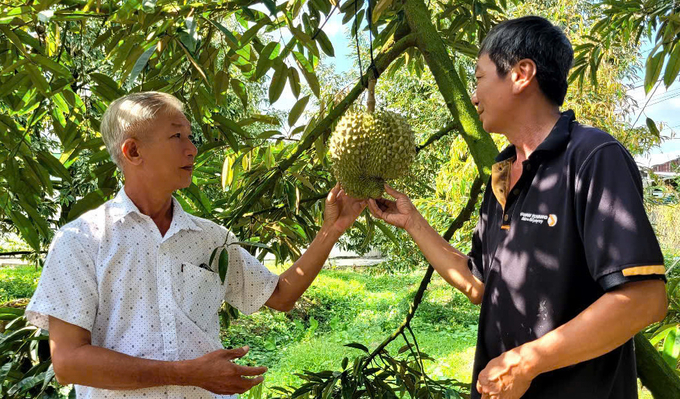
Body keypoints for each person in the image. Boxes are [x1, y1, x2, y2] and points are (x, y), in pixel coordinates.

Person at [368, 16, 668, 399]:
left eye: (479, 78)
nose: (474, 96)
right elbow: (478, 283)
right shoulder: (503, 172)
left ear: (521, 74)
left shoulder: (592, 157)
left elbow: (644, 299)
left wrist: (527, 363)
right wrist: (412, 221)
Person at [25, 91, 368, 399]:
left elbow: (279, 295)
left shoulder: (211, 238)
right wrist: (188, 374)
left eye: (190, 136)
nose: (192, 148)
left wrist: (330, 230)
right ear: (133, 151)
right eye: (176, 136)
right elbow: (69, 362)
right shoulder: (81, 240)